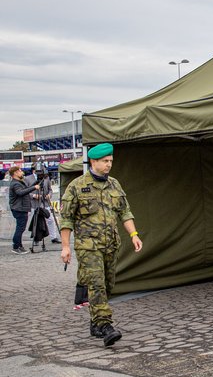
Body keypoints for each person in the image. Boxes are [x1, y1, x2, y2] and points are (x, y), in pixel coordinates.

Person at [60, 143, 143, 347]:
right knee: (96, 284)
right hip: (88, 246)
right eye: (105, 161)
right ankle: (106, 326)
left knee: (108, 284)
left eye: (111, 161)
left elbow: (125, 211)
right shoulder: (77, 186)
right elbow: (66, 218)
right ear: (94, 161)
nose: (109, 165)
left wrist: (134, 234)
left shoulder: (114, 184)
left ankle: (95, 323)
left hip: (110, 244)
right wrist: (65, 246)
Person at [7, 166, 38, 254]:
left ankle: (19, 246)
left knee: (21, 228)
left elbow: (24, 190)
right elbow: (20, 192)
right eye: (20, 171)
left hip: (20, 208)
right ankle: (16, 246)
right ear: (15, 173)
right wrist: (34, 188)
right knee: (20, 228)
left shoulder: (18, 182)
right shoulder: (16, 184)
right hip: (19, 208)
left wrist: (34, 185)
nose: (22, 172)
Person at [29, 168, 61, 252]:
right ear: (34, 171)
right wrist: (33, 196)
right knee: (36, 222)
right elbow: (26, 191)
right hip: (35, 204)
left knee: (51, 219)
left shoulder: (46, 179)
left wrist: (49, 195)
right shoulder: (28, 179)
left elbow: (50, 189)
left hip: (45, 203)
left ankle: (53, 237)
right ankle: (36, 239)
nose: (42, 175)